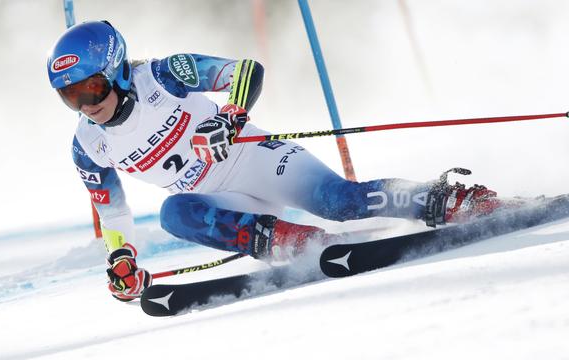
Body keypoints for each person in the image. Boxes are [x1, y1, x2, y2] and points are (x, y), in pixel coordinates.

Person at [47, 21, 501, 301]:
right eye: (70, 96)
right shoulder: (88, 145)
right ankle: (298, 243)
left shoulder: (164, 75)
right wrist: (122, 256)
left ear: (118, 70)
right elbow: (112, 212)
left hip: (256, 158)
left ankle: (445, 200)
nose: (86, 104)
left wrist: (229, 117)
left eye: (92, 88)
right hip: (223, 201)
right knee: (174, 212)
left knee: (338, 200)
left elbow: (245, 71)